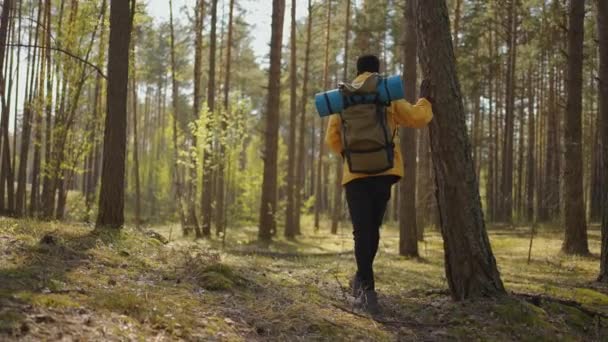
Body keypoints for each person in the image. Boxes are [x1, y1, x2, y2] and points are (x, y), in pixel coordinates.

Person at [325, 54, 434, 314]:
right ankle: (364, 284)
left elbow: (332, 138)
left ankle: (366, 287)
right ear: (377, 70)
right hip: (385, 171)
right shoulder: (387, 93)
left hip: (355, 175)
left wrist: (349, 156)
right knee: (373, 228)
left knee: (362, 230)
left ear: (357, 70)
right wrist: (425, 101)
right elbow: (417, 119)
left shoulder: (343, 97)